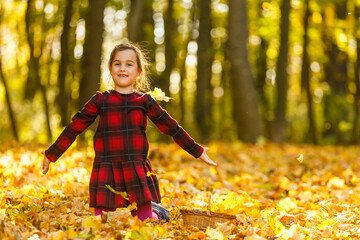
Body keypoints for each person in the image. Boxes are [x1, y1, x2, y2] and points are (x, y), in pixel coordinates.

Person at [42, 42, 217, 222]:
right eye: (117, 64)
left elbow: (171, 127)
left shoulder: (144, 101)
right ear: (110, 68)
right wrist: (51, 154)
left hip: (135, 169)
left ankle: (158, 213)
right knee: (100, 222)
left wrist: (197, 150)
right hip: (106, 168)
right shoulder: (100, 100)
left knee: (146, 220)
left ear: (139, 71)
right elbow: (75, 126)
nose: (122, 69)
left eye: (129, 64)